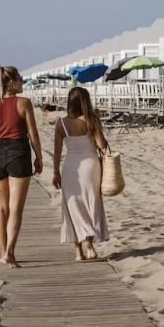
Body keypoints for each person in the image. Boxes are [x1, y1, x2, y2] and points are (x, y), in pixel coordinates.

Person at [0, 66, 43, 268]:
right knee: (15, 208)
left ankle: (5, 252)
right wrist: (39, 157)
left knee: (1, 209)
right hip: (18, 151)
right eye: (20, 79)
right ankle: (9, 253)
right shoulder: (23, 103)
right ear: (12, 82)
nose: (22, 82)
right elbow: (32, 133)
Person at [52, 86, 109, 261]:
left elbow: (57, 152)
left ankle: (78, 252)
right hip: (91, 166)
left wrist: (55, 173)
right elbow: (102, 145)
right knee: (91, 202)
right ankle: (89, 244)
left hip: (71, 168)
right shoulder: (92, 120)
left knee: (73, 206)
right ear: (86, 102)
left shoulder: (61, 123)